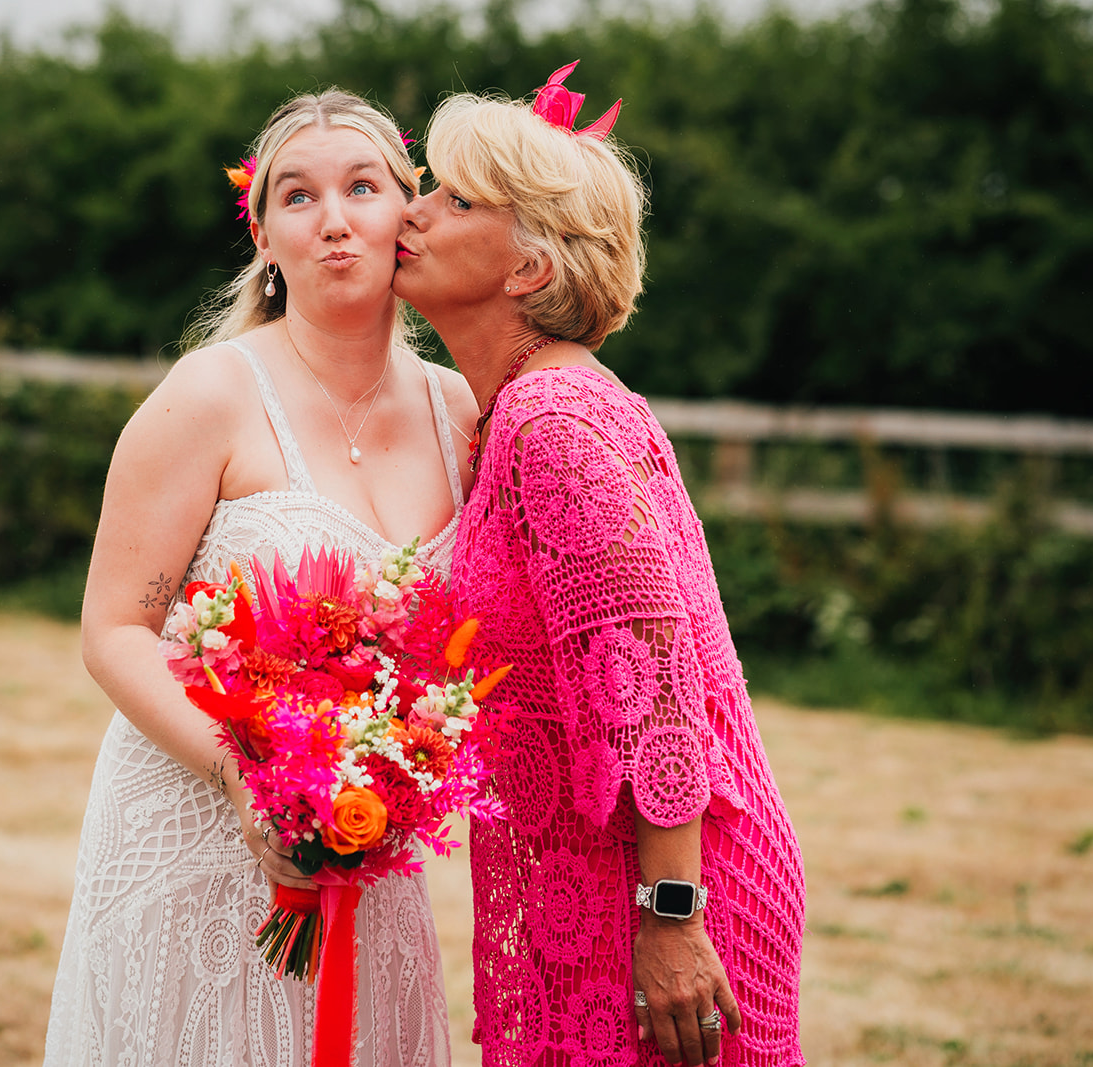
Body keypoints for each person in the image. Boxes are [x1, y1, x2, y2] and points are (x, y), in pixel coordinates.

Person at [43, 89, 476, 1067]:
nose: (332, 218)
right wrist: (245, 775)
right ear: (264, 237)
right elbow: (113, 628)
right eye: (297, 196)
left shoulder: (463, 416)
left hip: (370, 848)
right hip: (198, 826)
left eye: (362, 186)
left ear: (406, 215)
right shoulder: (211, 394)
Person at [392, 66, 805, 1067]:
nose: (413, 209)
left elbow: (656, 688)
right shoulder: (511, 414)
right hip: (590, 884)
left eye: (454, 199)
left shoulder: (555, 419)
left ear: (529, 268)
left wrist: (670, 917)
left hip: (663, 897)